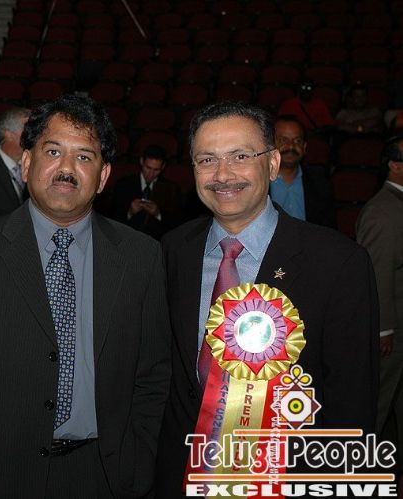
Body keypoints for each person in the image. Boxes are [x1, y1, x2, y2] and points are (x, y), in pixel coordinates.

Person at [0, 94, 171, 498]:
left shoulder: (141, 257)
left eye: (84, 157)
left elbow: (153, 376)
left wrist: (137, 467)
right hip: (1, 478)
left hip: (104, 476)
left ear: (104, 176)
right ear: (26, 163)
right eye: (54, 151)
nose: (66, 168)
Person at [155, 101, 378, 498]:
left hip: (288, 479)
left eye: (240, 156)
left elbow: (352, 404)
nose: (223, 174)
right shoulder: (170, 251)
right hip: (182, 476)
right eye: (207, 160)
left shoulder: (338, 262)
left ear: (273, 164)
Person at [356, 134, 403, 458]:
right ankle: (356, 466)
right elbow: (375, 272)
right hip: (392, 331)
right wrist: (383, 329)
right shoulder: (384, 211)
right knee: (376, 404)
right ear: (394, 165)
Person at [269, 115, 336, 227]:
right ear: (270, 145)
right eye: (284, 140)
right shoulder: (258, 181)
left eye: (297, 141)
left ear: (304, 147)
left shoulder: (320, 183)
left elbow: (329, 228)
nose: (291, 146)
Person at [111, 144, 182, 240]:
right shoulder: (123, 185)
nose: (151, 174)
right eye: (148, 168)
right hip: (127, 238)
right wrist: (130, 212)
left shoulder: (170, 189)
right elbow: (112, 219)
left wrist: (158, 214)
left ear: (163, 167)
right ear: (141, 162)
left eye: (156, 170)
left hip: (157, 241)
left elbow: (177, 223)